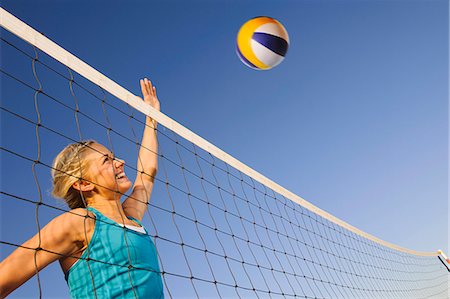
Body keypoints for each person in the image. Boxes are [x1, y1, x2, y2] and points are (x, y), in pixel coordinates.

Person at [0, 78, 164, 298]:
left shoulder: (131, 218)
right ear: (83, 184)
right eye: (107, 160)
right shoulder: (79, 222)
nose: (120, 162)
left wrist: (152, 118)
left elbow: (147, 174)